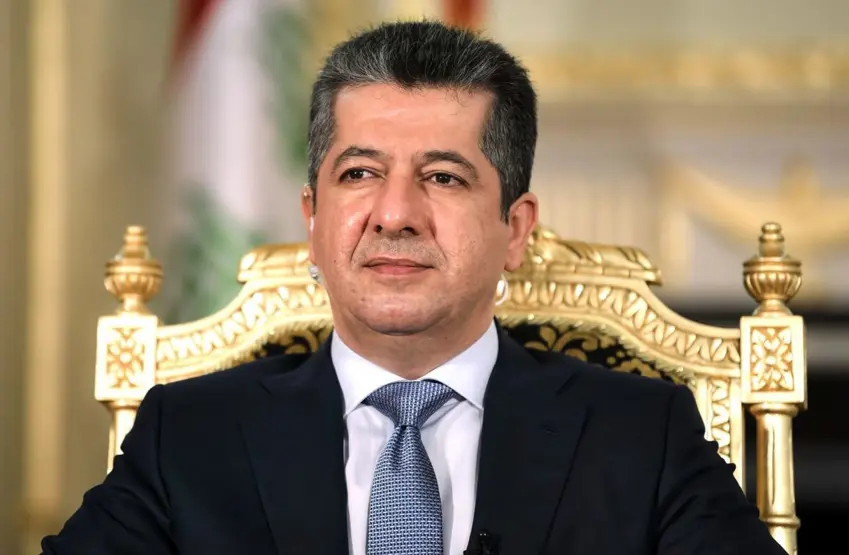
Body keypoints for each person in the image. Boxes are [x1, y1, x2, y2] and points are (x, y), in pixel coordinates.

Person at [42, 20, 786, 555]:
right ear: (312, 218)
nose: (394, 213)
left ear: (516, 229)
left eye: (443, 177)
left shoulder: (640, 435)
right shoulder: (189, 435)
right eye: (360, 173)